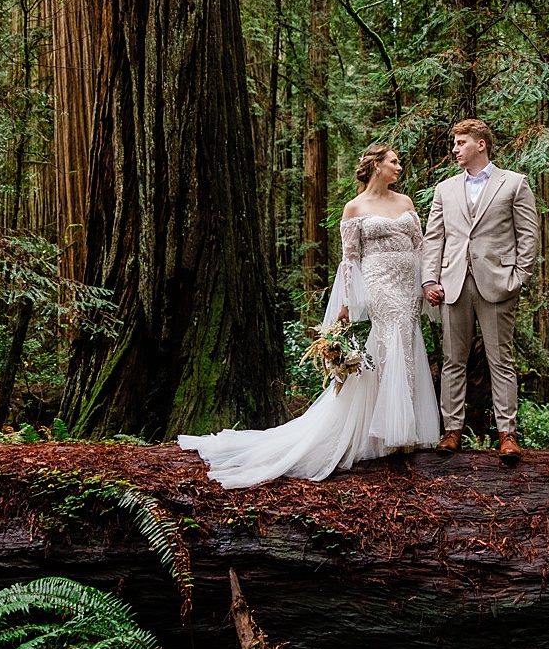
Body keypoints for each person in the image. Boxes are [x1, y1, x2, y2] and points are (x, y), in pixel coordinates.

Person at [180, 144, 442, 488]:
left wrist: (427, 282)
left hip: (407, 284)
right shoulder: (355, 207)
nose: (399, 167)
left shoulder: (405, 203)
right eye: (393, 162)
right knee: (389, 344)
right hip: (379, 284)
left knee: (406, 345)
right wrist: (348, 301)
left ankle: (402, 430)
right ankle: (386, 432)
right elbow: (349, 259)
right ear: (376, 166)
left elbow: (420, 245)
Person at [421, 118, 539, 464]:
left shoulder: (514, 184)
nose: (455, 149)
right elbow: (435, 238)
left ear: (480, 144)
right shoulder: (445, 189)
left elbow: (528, 236)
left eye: (460, 143)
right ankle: (452, 431)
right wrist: (430, 280)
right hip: (452, 285)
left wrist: (518, 278)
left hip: (497, 285)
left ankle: (508, 435)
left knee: (501, 360)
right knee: (452, 360)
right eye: (454, 143)